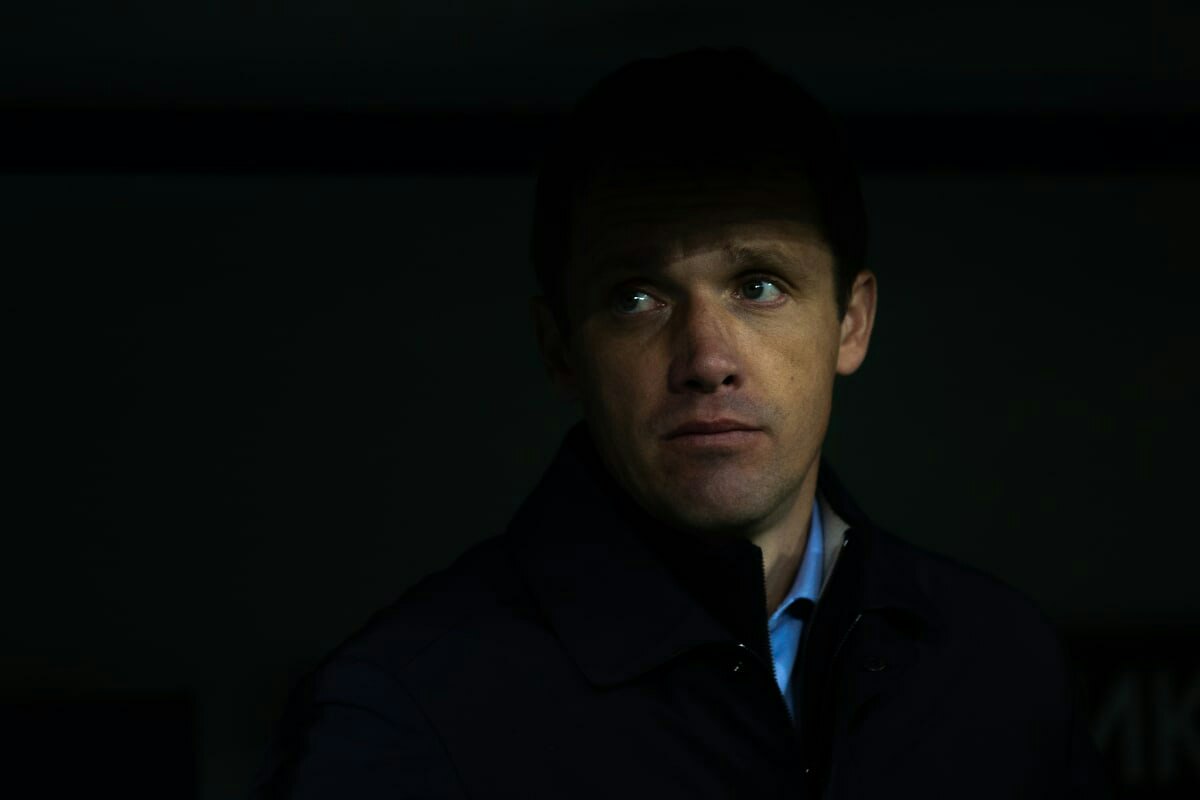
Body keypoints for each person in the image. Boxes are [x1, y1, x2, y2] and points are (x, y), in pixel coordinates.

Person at [253, 47, 1112, 798]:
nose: (707, 357)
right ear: (560, 350)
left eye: (759, 285)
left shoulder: (1001, 665)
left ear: (851, 323)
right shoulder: (403, 711)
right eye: (637, 297)